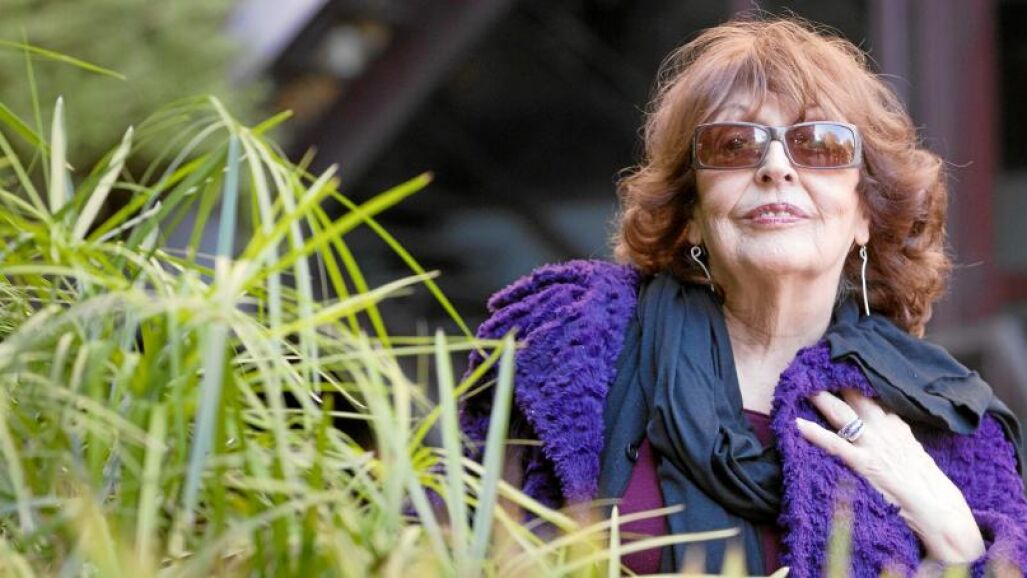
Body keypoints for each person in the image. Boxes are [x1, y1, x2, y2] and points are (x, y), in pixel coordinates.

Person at [459, 17, 1027, 577]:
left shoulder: (950, 419)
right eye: (734, 145)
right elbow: (447, 548)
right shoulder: (566, 339)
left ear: (865, 214)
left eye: (819, 144)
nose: (776, 167)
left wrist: (958, 541)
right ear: (692, 214)